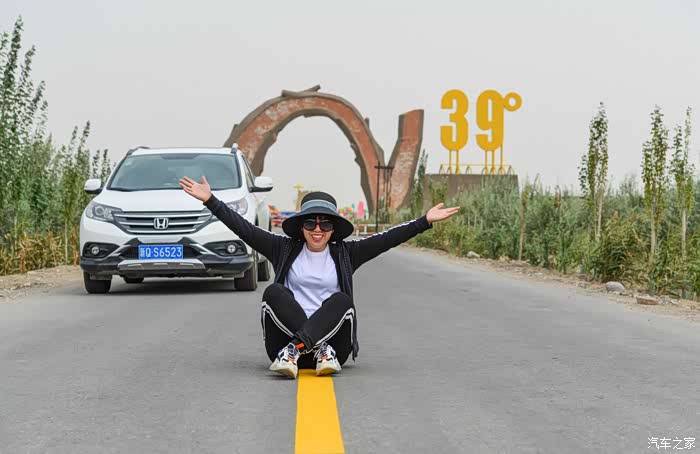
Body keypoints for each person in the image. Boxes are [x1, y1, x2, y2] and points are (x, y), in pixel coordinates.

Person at [179, 175, 459, 378]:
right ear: (301, 227)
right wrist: (211, 201)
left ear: (333, 229)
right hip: (285, 349)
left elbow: (387, 238)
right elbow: (244, 229)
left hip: (332, 353)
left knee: (342, 300)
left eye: (325, 223)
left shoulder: (347, 253)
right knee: (273, 292)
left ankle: (307, 347)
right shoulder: (283, 248)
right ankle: (303, 347)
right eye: (311, 222)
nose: (317, 229)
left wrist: (424, 221)